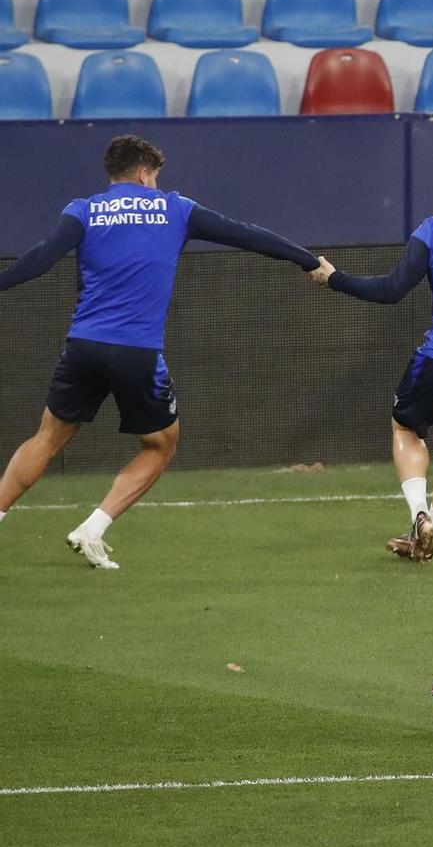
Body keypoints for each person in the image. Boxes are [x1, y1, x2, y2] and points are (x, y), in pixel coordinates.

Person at [0, 135, 327, 569]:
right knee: (160, 446)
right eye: (154, 176)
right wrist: (308, 261)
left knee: (47, 438)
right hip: (137, 352)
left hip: (84, 346)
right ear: (143, 173)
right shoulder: (175, 208)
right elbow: (247, 235)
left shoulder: (83, 210)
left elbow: (41, 258)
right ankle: (93, 528)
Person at [315, 150, 433, 561]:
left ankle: (420, 516)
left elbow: (391, 290)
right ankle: (428, 531)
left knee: (405, 428)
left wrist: (335, 279)